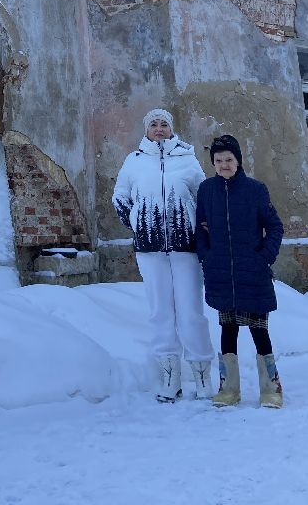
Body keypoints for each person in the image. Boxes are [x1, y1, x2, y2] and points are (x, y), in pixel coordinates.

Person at [112, 108, 214, 402]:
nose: (159, 128)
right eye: (154, 124)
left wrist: (199, 227)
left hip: (186, 247)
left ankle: (201, 374)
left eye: (164, 124)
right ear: (146, 129)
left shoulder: (187, 158)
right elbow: (120, 196)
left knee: (190, 311)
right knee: (160, 312)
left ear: (172, 128)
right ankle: (170, 377)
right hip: (149, 248)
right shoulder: (134, 161)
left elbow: (203, 197)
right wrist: (136, 221)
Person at [195, 134, 285, 408]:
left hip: (252, 271)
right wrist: (206, 257)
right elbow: (200, 228)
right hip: (221, 272)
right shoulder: (207, 190)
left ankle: (271, 389)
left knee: (259, 330)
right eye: (219, 160)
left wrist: (265, 258)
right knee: (228, 329)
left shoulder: (255, 190)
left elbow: (275, 227)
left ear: (238, 161)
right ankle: (229, 389)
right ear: (213, 163)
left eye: (229, 159)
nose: (224, 164)